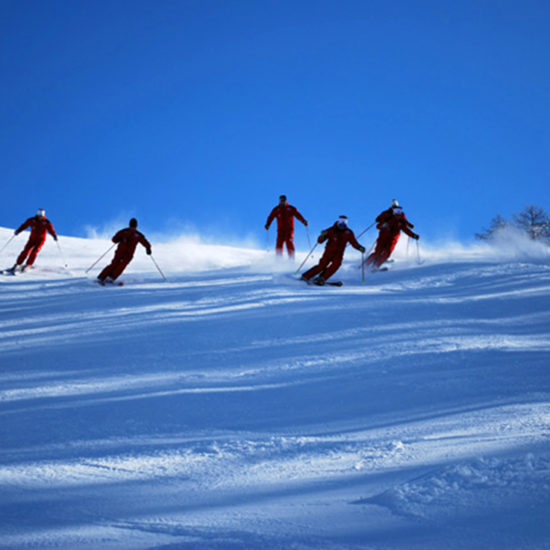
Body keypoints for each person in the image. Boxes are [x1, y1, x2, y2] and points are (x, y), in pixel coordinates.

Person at [301, 215, 365, 285]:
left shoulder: (348, 233)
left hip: (339, 254)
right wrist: (322, 235)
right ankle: (306, 276)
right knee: (322, 266)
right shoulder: (331, 230)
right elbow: (320, 241)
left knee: (336, 265)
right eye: (341, 221)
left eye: (345, 222)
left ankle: (322, 278)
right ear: (338, 222)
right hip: (328, 253)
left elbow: (354, 243)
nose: (342, 224)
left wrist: (359, 247)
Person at [365, 199, 419, 270]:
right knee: (378, 251)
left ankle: (376, 266)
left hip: (393, 238)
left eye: (398, 209)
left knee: (387, 252)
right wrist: (381, 223)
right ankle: (365, 265)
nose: (396, 212)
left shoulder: (401, 218)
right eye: (394, 208)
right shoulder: (386, 214)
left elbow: (405, 227)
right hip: (383, 236)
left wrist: (413, 234)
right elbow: (378, 224)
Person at [97, 218, 151, 284]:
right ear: (129, 225)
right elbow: (114, 239)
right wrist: (117, 239)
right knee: (114, 264)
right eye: (131, 226)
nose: (132, 228)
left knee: (122, 265)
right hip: (120, 251)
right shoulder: (124, 232)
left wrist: (148, 248)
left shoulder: (138, 235)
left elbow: (145, 242)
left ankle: (111, 277)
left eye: (134, 226)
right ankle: (101, 277)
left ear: (136, 226)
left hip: (128, 254)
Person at [7, 208, 58, 273]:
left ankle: (28, 265)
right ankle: (18, 264)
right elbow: (24, 225)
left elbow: (51, 229)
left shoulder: (46, 222)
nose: (40, 218)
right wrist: (19, 230)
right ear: (37, 215)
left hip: (40, 240)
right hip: (32, 239)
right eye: (39, 216)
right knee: (26, 251)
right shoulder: (32, 220)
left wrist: (54, 235)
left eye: (41, 216)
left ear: (43, 216)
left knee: (34, 252)